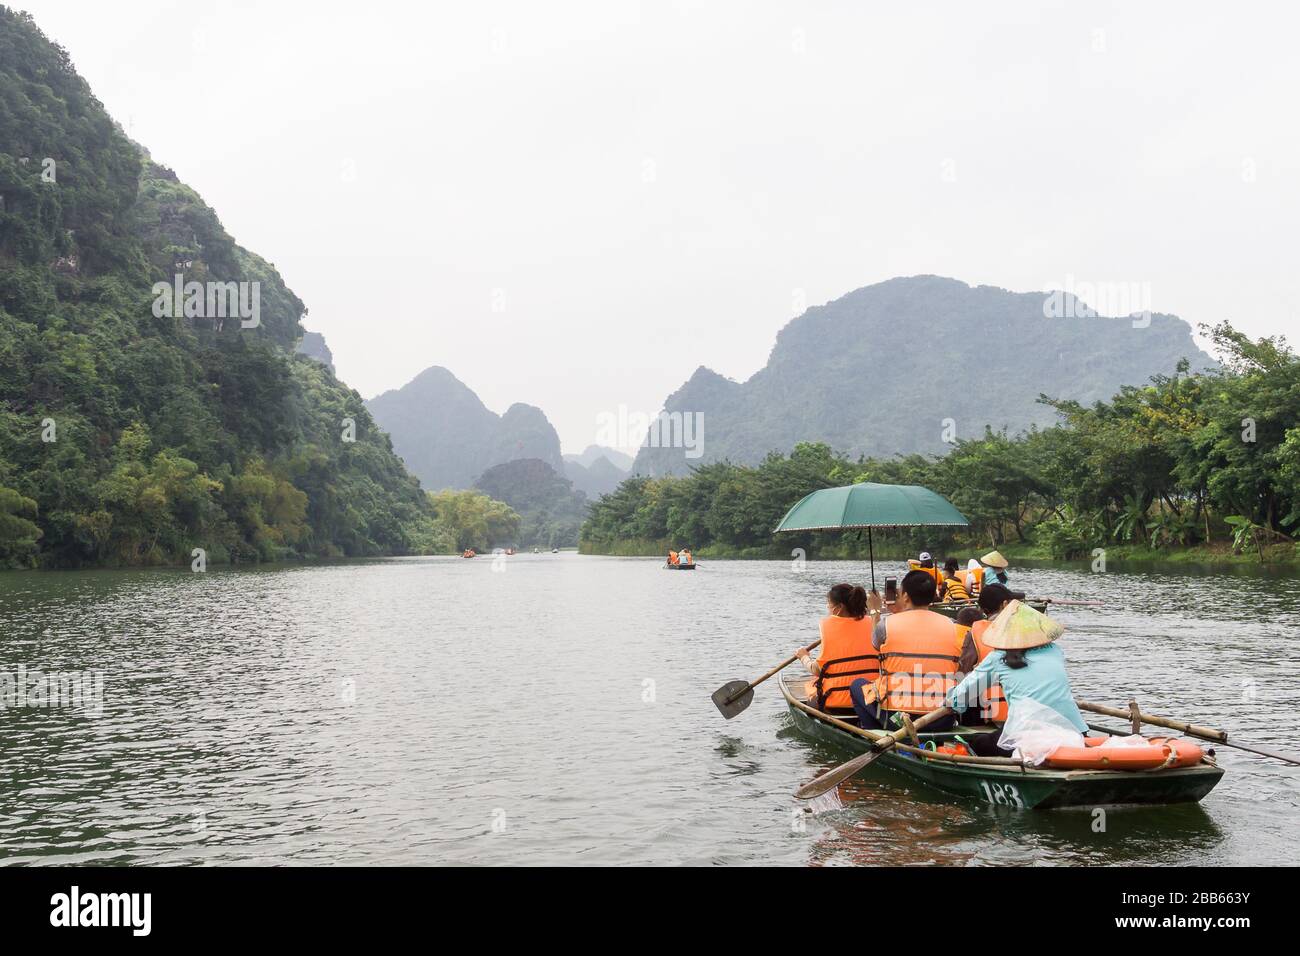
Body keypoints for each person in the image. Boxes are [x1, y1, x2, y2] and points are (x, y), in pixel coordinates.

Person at [944, 597, 1087, 758]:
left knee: (979, 744)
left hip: (1027, 736)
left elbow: (961, 695)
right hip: (1075, 730)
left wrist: (951, 701)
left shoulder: (998, 658)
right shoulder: (1055, 651)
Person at [848, 569, 977, 734]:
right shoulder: (953, 626)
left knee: (857, 684)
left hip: (897, 718)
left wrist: (875, 611)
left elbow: (876, 645)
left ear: (906, 597)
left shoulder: (886, 624)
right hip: (942, 718)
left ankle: (875, 732)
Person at [795, 584, 879, 711]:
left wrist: (804, 657)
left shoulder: (829, 628)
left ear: (839, 608)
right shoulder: (874, 625)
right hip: (871, 698)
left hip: (838, 700)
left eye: (829, 604)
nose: (828, 607)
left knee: (812, 690)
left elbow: (817, 669)